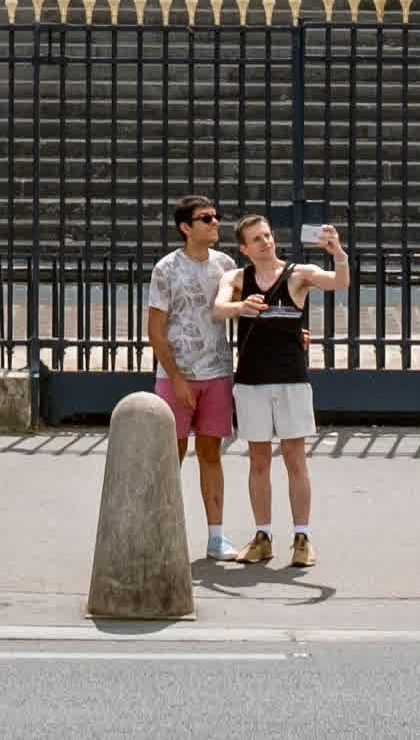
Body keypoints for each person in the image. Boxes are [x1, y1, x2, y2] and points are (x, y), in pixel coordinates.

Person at [211, 211, 351, 567]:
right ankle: (263, 535)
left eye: (268, 235)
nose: (266, 242)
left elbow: (338, 282)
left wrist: (338, 254)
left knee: (294, 459)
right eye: (257, 238)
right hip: (252, 380)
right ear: (244, 247)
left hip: (290, 379)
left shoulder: (297, 274)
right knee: (258, 461)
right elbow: (217, 308)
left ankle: (302, 537)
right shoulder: (237, 277)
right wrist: (241, 307)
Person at [144, 193, 242, 561]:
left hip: (216, 371)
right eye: (206, 218)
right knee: (172, 454)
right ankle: (157, 530)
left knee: (211, 453)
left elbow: (240, 309)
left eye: (216, 216)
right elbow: (156, 330)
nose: (215, 222)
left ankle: (216, 536)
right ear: (186, 227)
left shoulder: (226, 264)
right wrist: (177, 378)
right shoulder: (166, 269)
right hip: (177, 375)